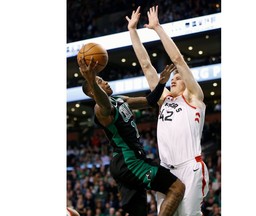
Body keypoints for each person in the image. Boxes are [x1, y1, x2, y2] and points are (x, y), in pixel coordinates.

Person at [126, 6, 209, 216]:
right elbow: (146, 66)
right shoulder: (163, 100)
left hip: (190, 167)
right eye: (173, 78)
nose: (174, 79)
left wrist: (157, 28)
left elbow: (179, 60)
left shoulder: (194, 97)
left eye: (178, 78)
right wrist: (132, 31)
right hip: (166, 171)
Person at [78, 56, 185, 216]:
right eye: (100, 82)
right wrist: (92, 81)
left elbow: (149, 100)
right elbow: (104, 105)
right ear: (93, 92)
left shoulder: (119, 100)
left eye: (102, 80)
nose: (105, 82)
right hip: (129, 162)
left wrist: (162, 82)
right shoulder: (100, 110)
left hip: (128, 162)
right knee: (177, 188)